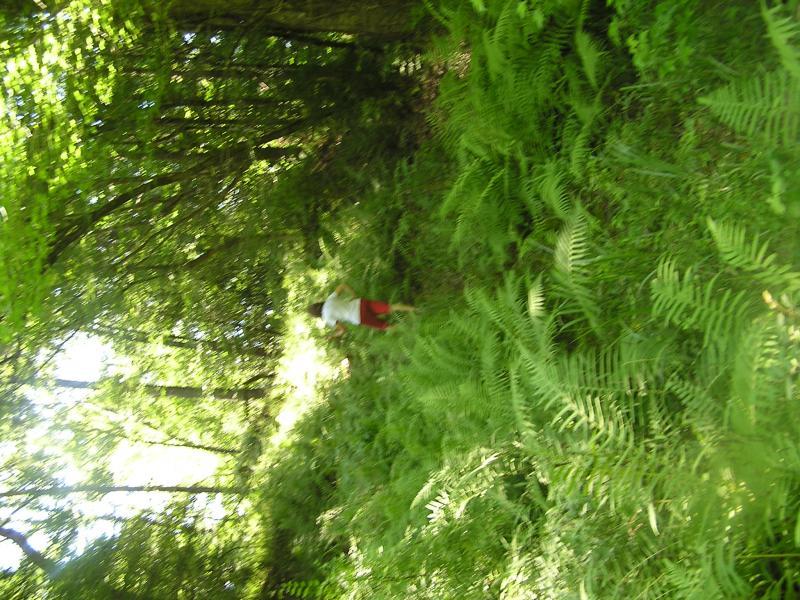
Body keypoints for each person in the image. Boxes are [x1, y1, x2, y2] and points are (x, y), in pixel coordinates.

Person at [307, 283, 415, 336]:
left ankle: (412, 326)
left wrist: (333, 335)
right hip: (360, 303)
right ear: (318, 304)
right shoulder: (329, 300)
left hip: (359, 317)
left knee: (385, 326)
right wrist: (353, 294)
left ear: (316, 315)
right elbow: (343, 285)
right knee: (390, 307)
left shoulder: (327, 318)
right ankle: (416, 310)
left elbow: (343, 329)